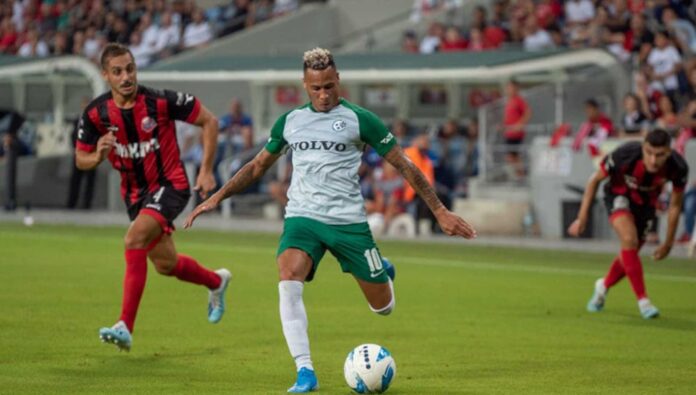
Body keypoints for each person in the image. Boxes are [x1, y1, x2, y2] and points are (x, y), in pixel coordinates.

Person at [184, 48, 476, 393]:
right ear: (305, 85)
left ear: (338, 80)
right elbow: (257, 166)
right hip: (302, 217)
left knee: (383, 308)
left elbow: (404, 164)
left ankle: (382, 268)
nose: (323, 95)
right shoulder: (290, 121)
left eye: (328, 87)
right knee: (287, 275)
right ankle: (305, 371)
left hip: (348, 222)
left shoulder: (360, 119)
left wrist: (439, 210)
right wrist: (217, 196)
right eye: (315, 88)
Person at [75, 43, 231, 352]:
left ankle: (124, 326)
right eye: (118, 72)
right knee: (165, 264)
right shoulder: (95, 113)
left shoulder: (160, 101)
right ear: (106, 75)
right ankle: (216, 281)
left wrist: (206, 170)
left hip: (170, 185)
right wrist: (97, 156)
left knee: (133, 239)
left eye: (130, 69)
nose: (126, 77)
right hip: (136, 196)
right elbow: (80, 158)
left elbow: (210, 121)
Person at [568, 129, 689, 319]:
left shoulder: (678, 167)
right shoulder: (625, 154)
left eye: (659, 155)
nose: (653, 160)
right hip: (619, 196)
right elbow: (594, 180)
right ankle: (644, 301)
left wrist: (668, 243)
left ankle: (603, 287)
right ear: (643, 148)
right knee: (629, 239)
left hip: (647, 205)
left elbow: (675, 206)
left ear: (669, 152)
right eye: (648, 152)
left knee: (629, 253)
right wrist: (582, 216)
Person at [67, 98, 97, 210]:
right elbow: (73, 135)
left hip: (91, 154)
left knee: (90, 181)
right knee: (75, 179)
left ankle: (86, 204)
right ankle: (71, 203)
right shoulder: (77, 120)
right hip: (79, 154)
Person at [502, 79, 531, 179]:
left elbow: (528, 113)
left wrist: (519, 125)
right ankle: (519, 175)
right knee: (513, 156)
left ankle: (520, 174)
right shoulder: (509, 101)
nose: (509, 90)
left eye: (511, 87)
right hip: (509, 133)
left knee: (512, 156)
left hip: (515, 134)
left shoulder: (519, 100)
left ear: (516, 88)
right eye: (508, 87)